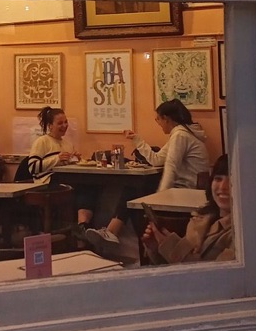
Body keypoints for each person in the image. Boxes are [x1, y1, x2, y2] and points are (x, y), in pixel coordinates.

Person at [84, 99, 208, 255]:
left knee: (136, 189)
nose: (158, 123)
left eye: (158, 119)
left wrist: (160, 197)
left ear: (166, 119)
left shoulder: (180, 135)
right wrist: (136, 139)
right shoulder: (183, 133)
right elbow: (157, 159)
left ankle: (127, 240)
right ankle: (115, 233)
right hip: (185, 190)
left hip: (186, 192)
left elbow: (171, 167)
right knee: (136, 187)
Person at [142, 154, 234, 264]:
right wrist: (156, 248)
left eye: (232, 180)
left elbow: (215, 276)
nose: (223, 187)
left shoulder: (241, 232)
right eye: (218, 179)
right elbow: (174, 269)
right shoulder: (201, 219)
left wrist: (169, 245)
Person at [27, 107, 96, 230]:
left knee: (90, 184)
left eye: (66, 122)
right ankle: (81, 226)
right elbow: (32, 167)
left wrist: (77, 160)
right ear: (50, 125)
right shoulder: (42, 142)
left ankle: (83, 225)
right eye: (60, 123)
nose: (64, 125)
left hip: (64, 180)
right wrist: (56, 159)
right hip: (46, 183)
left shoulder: (67, 144)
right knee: (82, 187)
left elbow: (67, 167)